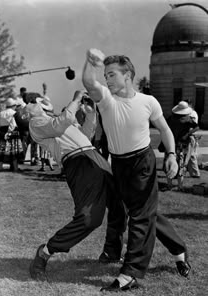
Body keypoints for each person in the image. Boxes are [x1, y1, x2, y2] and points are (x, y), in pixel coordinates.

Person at [82, 49, 190, 292]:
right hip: (118, 164)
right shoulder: (106, 99)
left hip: (143, 163)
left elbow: (164, 130)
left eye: (111, 74)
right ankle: (179, 250)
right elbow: (89, 81)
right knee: (143, 212)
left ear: (128, 75)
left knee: (140, 216)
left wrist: (171, 155)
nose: (107, 79)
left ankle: (130, 272)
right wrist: (90, 63)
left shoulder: (148, 102)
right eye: (106, 75)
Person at [25, 90, 126, 281]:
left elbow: (87, 134)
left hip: (94, 156)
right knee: (89, 218)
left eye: (33, 101)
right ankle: (45, 252)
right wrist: (76, 100)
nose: (30, 104)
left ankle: (111, 252)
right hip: (78, 163)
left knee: (119, 207)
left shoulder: (60, 117)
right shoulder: (36, 123)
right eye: (29, 102)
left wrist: (90, 113)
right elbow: (58, 126)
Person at [161, 101, 199, 190]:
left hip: (172, 144)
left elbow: (164, 128)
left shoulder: (172, 118)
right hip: (180, 145)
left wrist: (187, 134)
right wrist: (188, 134)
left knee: (170, 163)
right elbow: (197, 127)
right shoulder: (187, 118)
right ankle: (179, 186)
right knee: (180, 165)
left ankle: (171, 185)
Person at [0, 98, 24, 172]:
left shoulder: (1, 113)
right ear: (13, 106)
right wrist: (9, 132)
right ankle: (15, 168)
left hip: (1, 132)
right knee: (14, 151)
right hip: (12, 132)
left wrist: (2, 133)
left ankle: (0, 168)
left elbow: (0, 124)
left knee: (0, 151)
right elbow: (13, 124)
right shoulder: (14, 113)